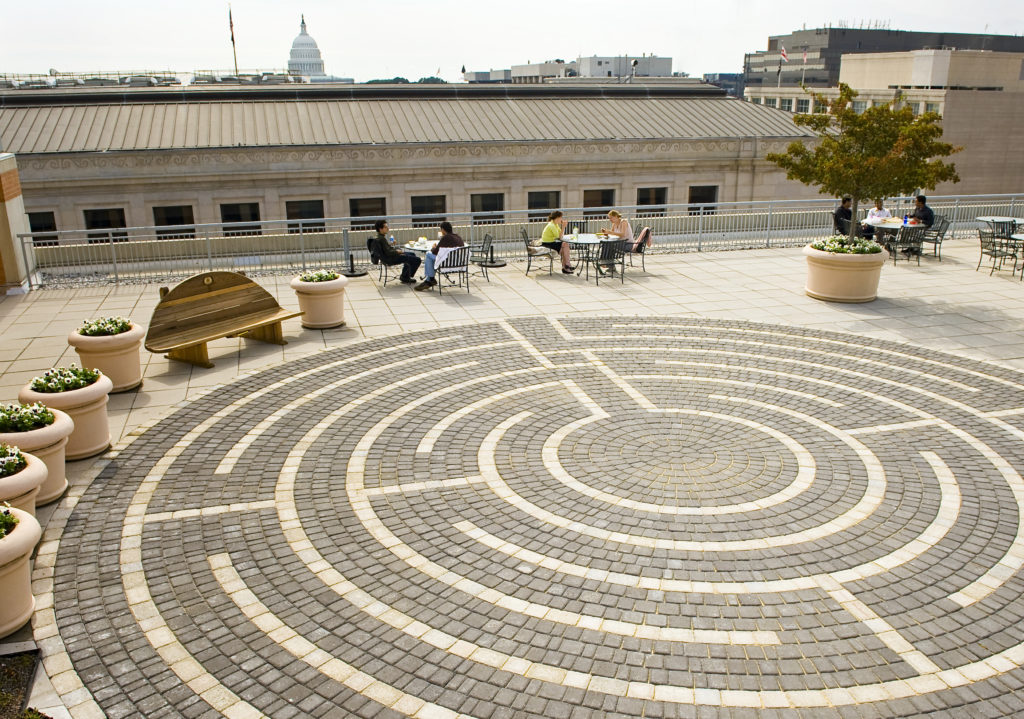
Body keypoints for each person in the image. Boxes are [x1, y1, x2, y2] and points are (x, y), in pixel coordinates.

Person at [415, 221, 464, 291]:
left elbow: (435, 252)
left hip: (447, 263)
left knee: (428, 255)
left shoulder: (445, 238)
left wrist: (433, 247)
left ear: (443, 230)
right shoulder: (458, 237)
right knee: (432, 259)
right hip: (458, 263)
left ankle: (430, 279)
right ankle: (428, 280)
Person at [369, 219, 420, 285]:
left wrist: (391, 244)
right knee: (417, 260)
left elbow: (385, 249)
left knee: (412, 254)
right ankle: (405, 277)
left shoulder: (378, 237)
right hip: (391, 259)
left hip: (386, 258)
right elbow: (388, 252)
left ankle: (405, 276)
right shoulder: (381, 239)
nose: (387, 228)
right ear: (380, 229)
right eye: (385, 227)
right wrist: (398, 252)